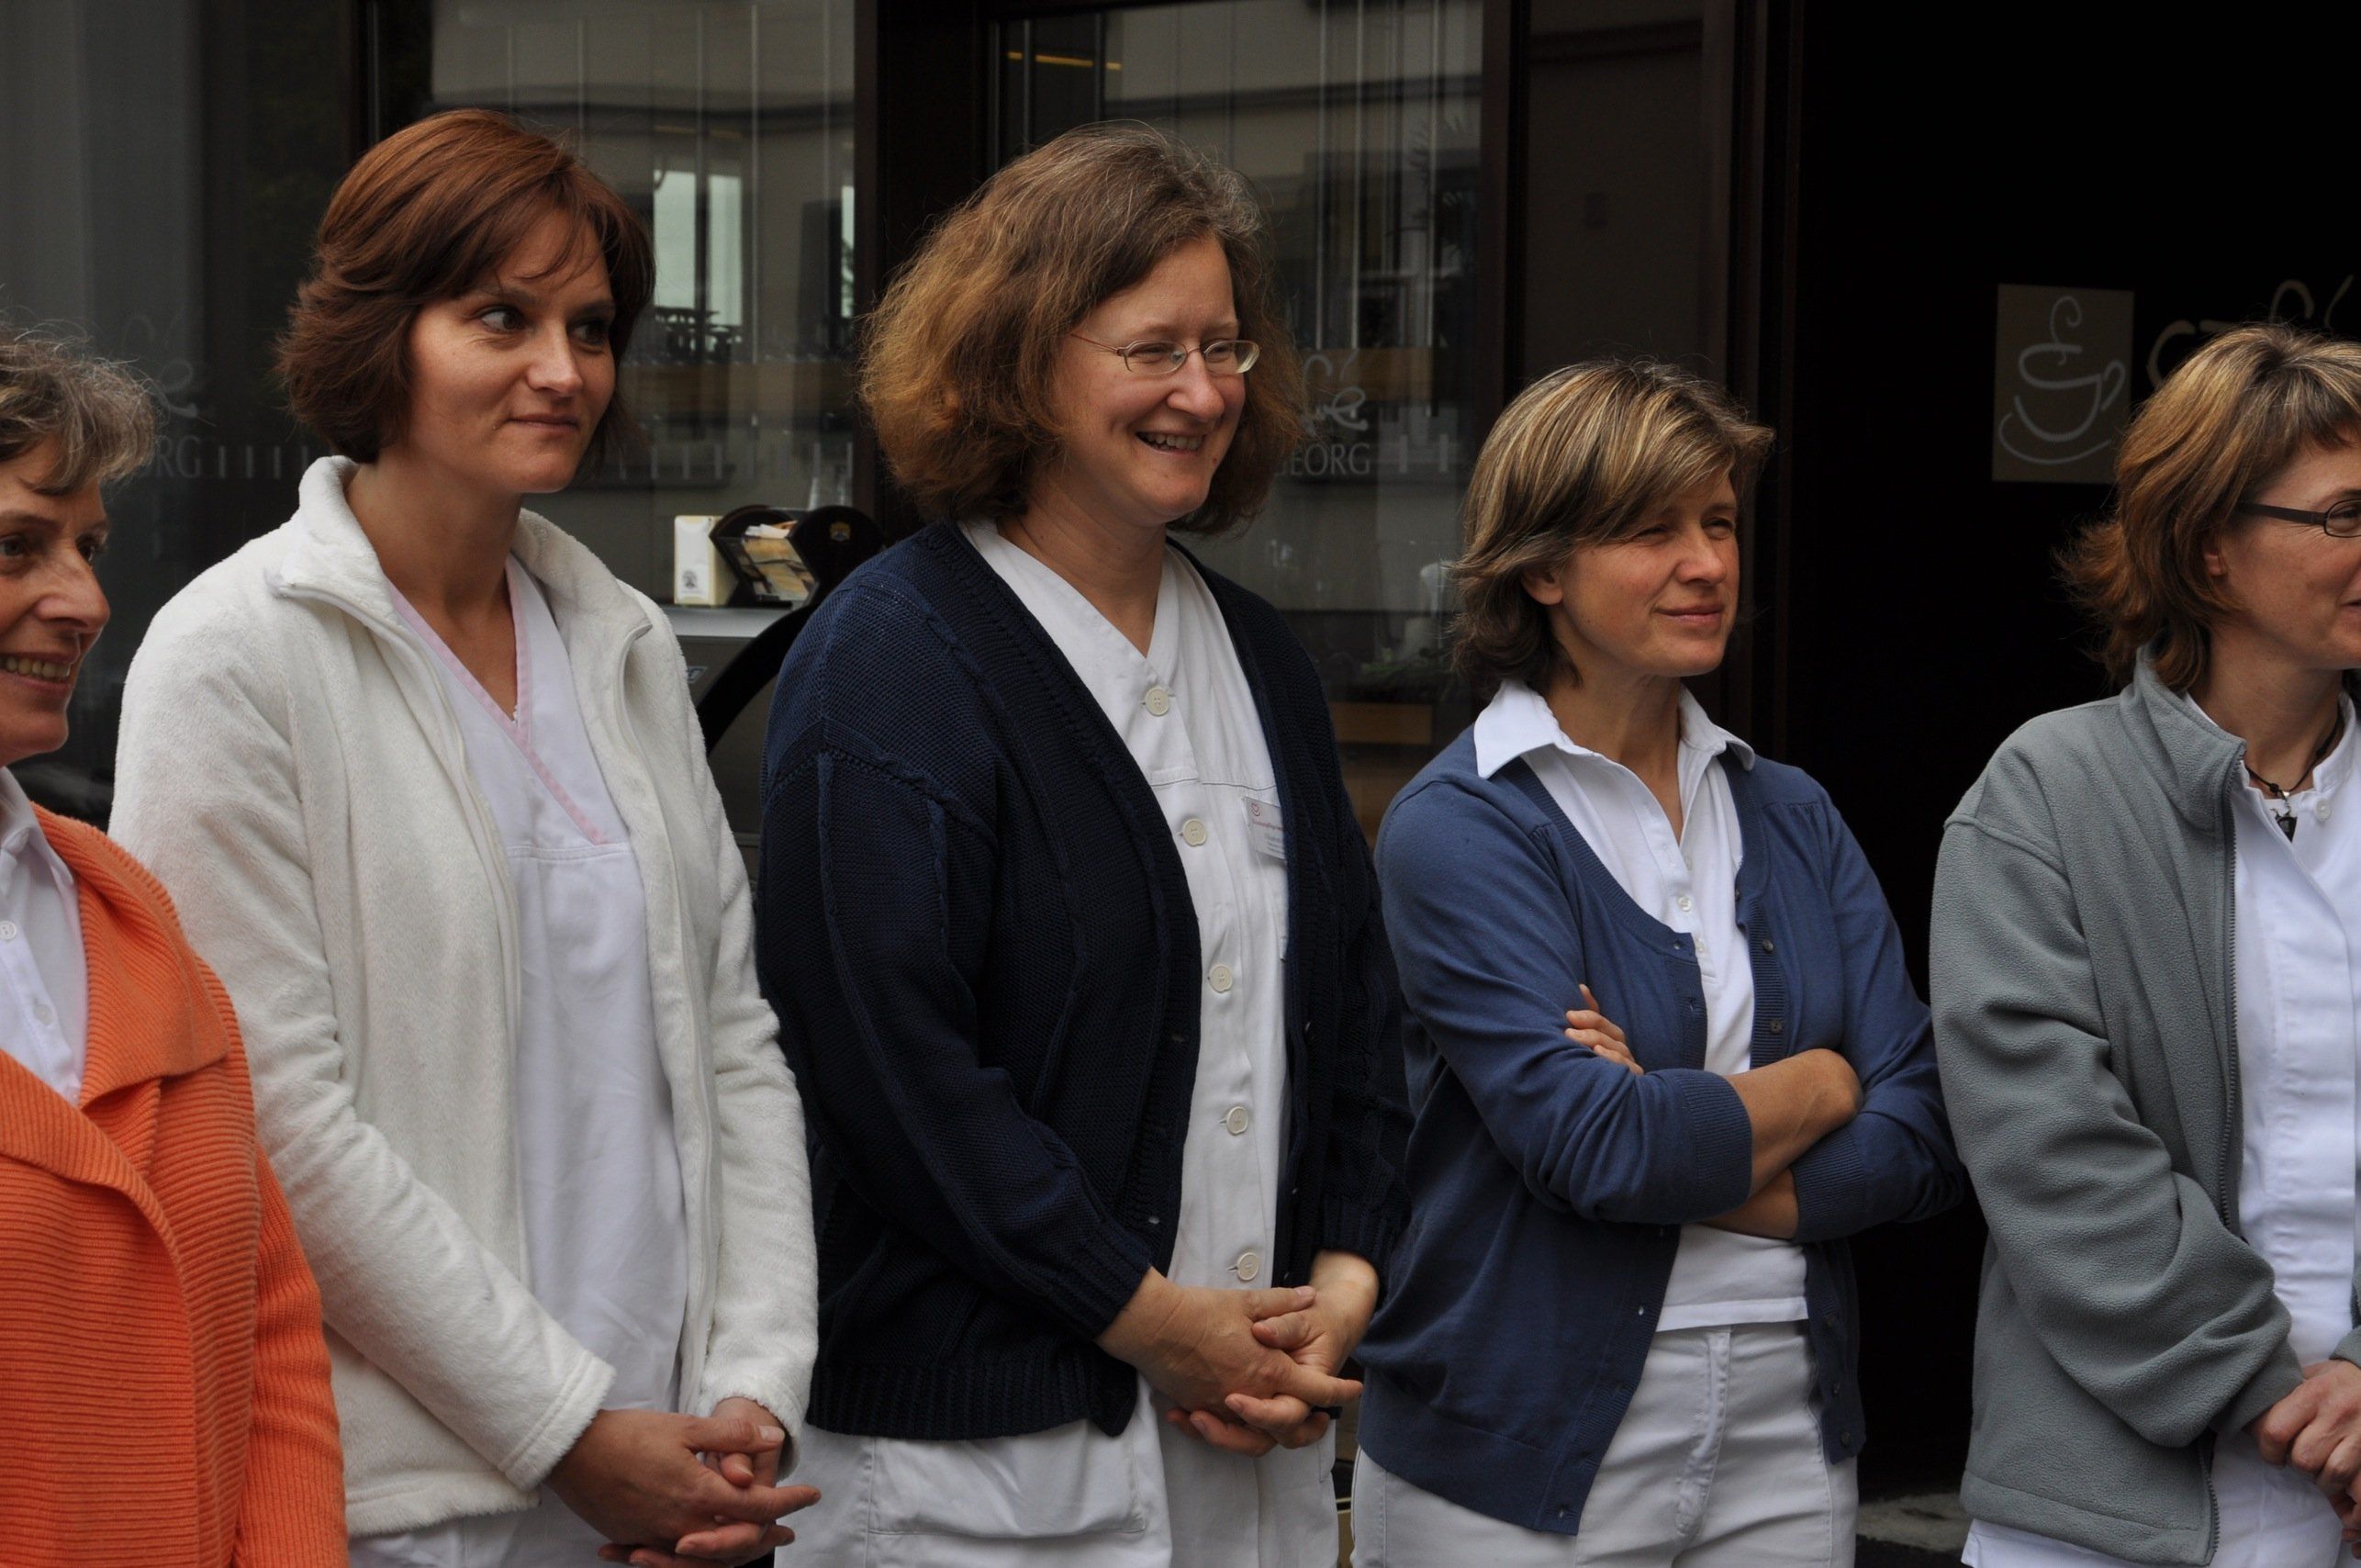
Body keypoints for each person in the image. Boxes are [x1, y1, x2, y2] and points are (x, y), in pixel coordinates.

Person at [109, 109, 818, 1568]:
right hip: (418, 1503)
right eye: (502, 317)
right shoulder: (235, 655)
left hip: (677, 1464)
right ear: (384, 333)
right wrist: (566, 1430)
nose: (563, 370)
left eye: (590, 327)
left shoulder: (622, 641)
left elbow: (732, 1043)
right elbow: (270, 1114)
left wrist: (756, 1389)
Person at [754, 123, 1410, 1567]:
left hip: (1251, 1440)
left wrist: (1342, 1287)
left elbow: (1358, 1019)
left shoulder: (1260, 657)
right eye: (1151, 350)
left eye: (1224, 349)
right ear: (1018, 361)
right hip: (983, 1471)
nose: (1203, 392)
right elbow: (894, 1079)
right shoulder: (891, 660)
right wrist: (1151, 1320)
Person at [1349, 360, 1964, 1567]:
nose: (1707, 563)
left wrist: (1675, 1138)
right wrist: (1825, 1083)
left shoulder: (1792, 811)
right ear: (1541, 568)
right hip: (1515, 1442)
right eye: (1652, 531)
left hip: (1790, 1432)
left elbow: (1928, 1130)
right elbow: (1596, 1145)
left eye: (1719, 522)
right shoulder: (1463, 825)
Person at [1934, 321, 2361, 1568]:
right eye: (2343, 516)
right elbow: (2052, 1153)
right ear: (2210, 547)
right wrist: (2282, 1398)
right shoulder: (2047, 794)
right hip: (2105, 1515)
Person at [0, 325, 345, 1564]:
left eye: (88, 548)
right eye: (17, 547)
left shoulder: (125, 913)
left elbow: (272, 1324)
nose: (87, 603)